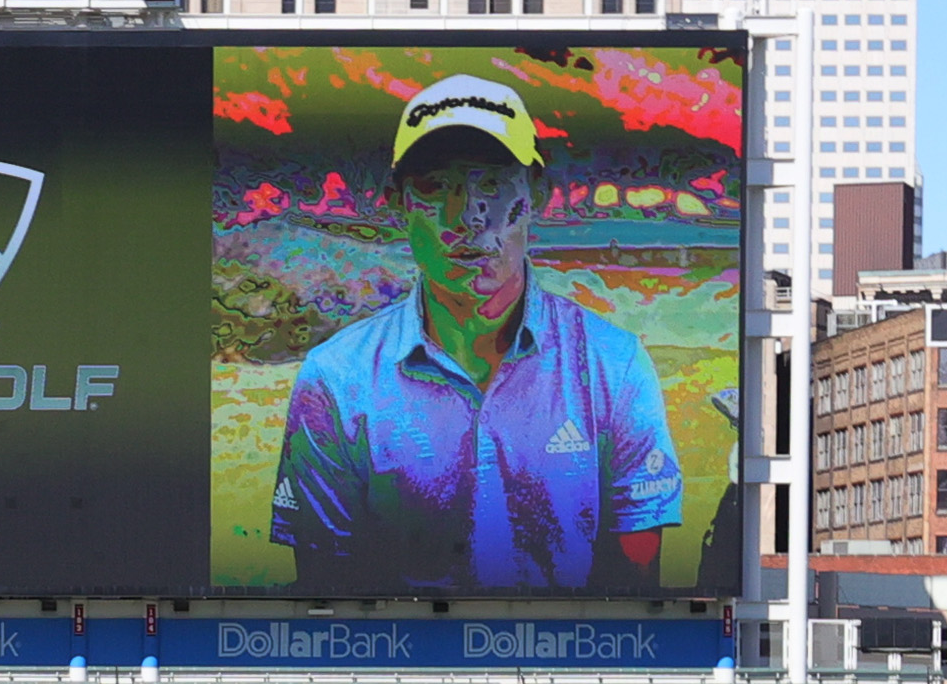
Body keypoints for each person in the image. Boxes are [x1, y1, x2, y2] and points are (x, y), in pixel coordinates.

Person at [270, 71, 682, 592]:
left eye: (491, 182)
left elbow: (636, 593)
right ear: (397, 203)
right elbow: (325, 595)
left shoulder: (614, 366)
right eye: (436, 186)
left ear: (537, 194)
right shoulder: (335, 379)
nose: (466, 215)